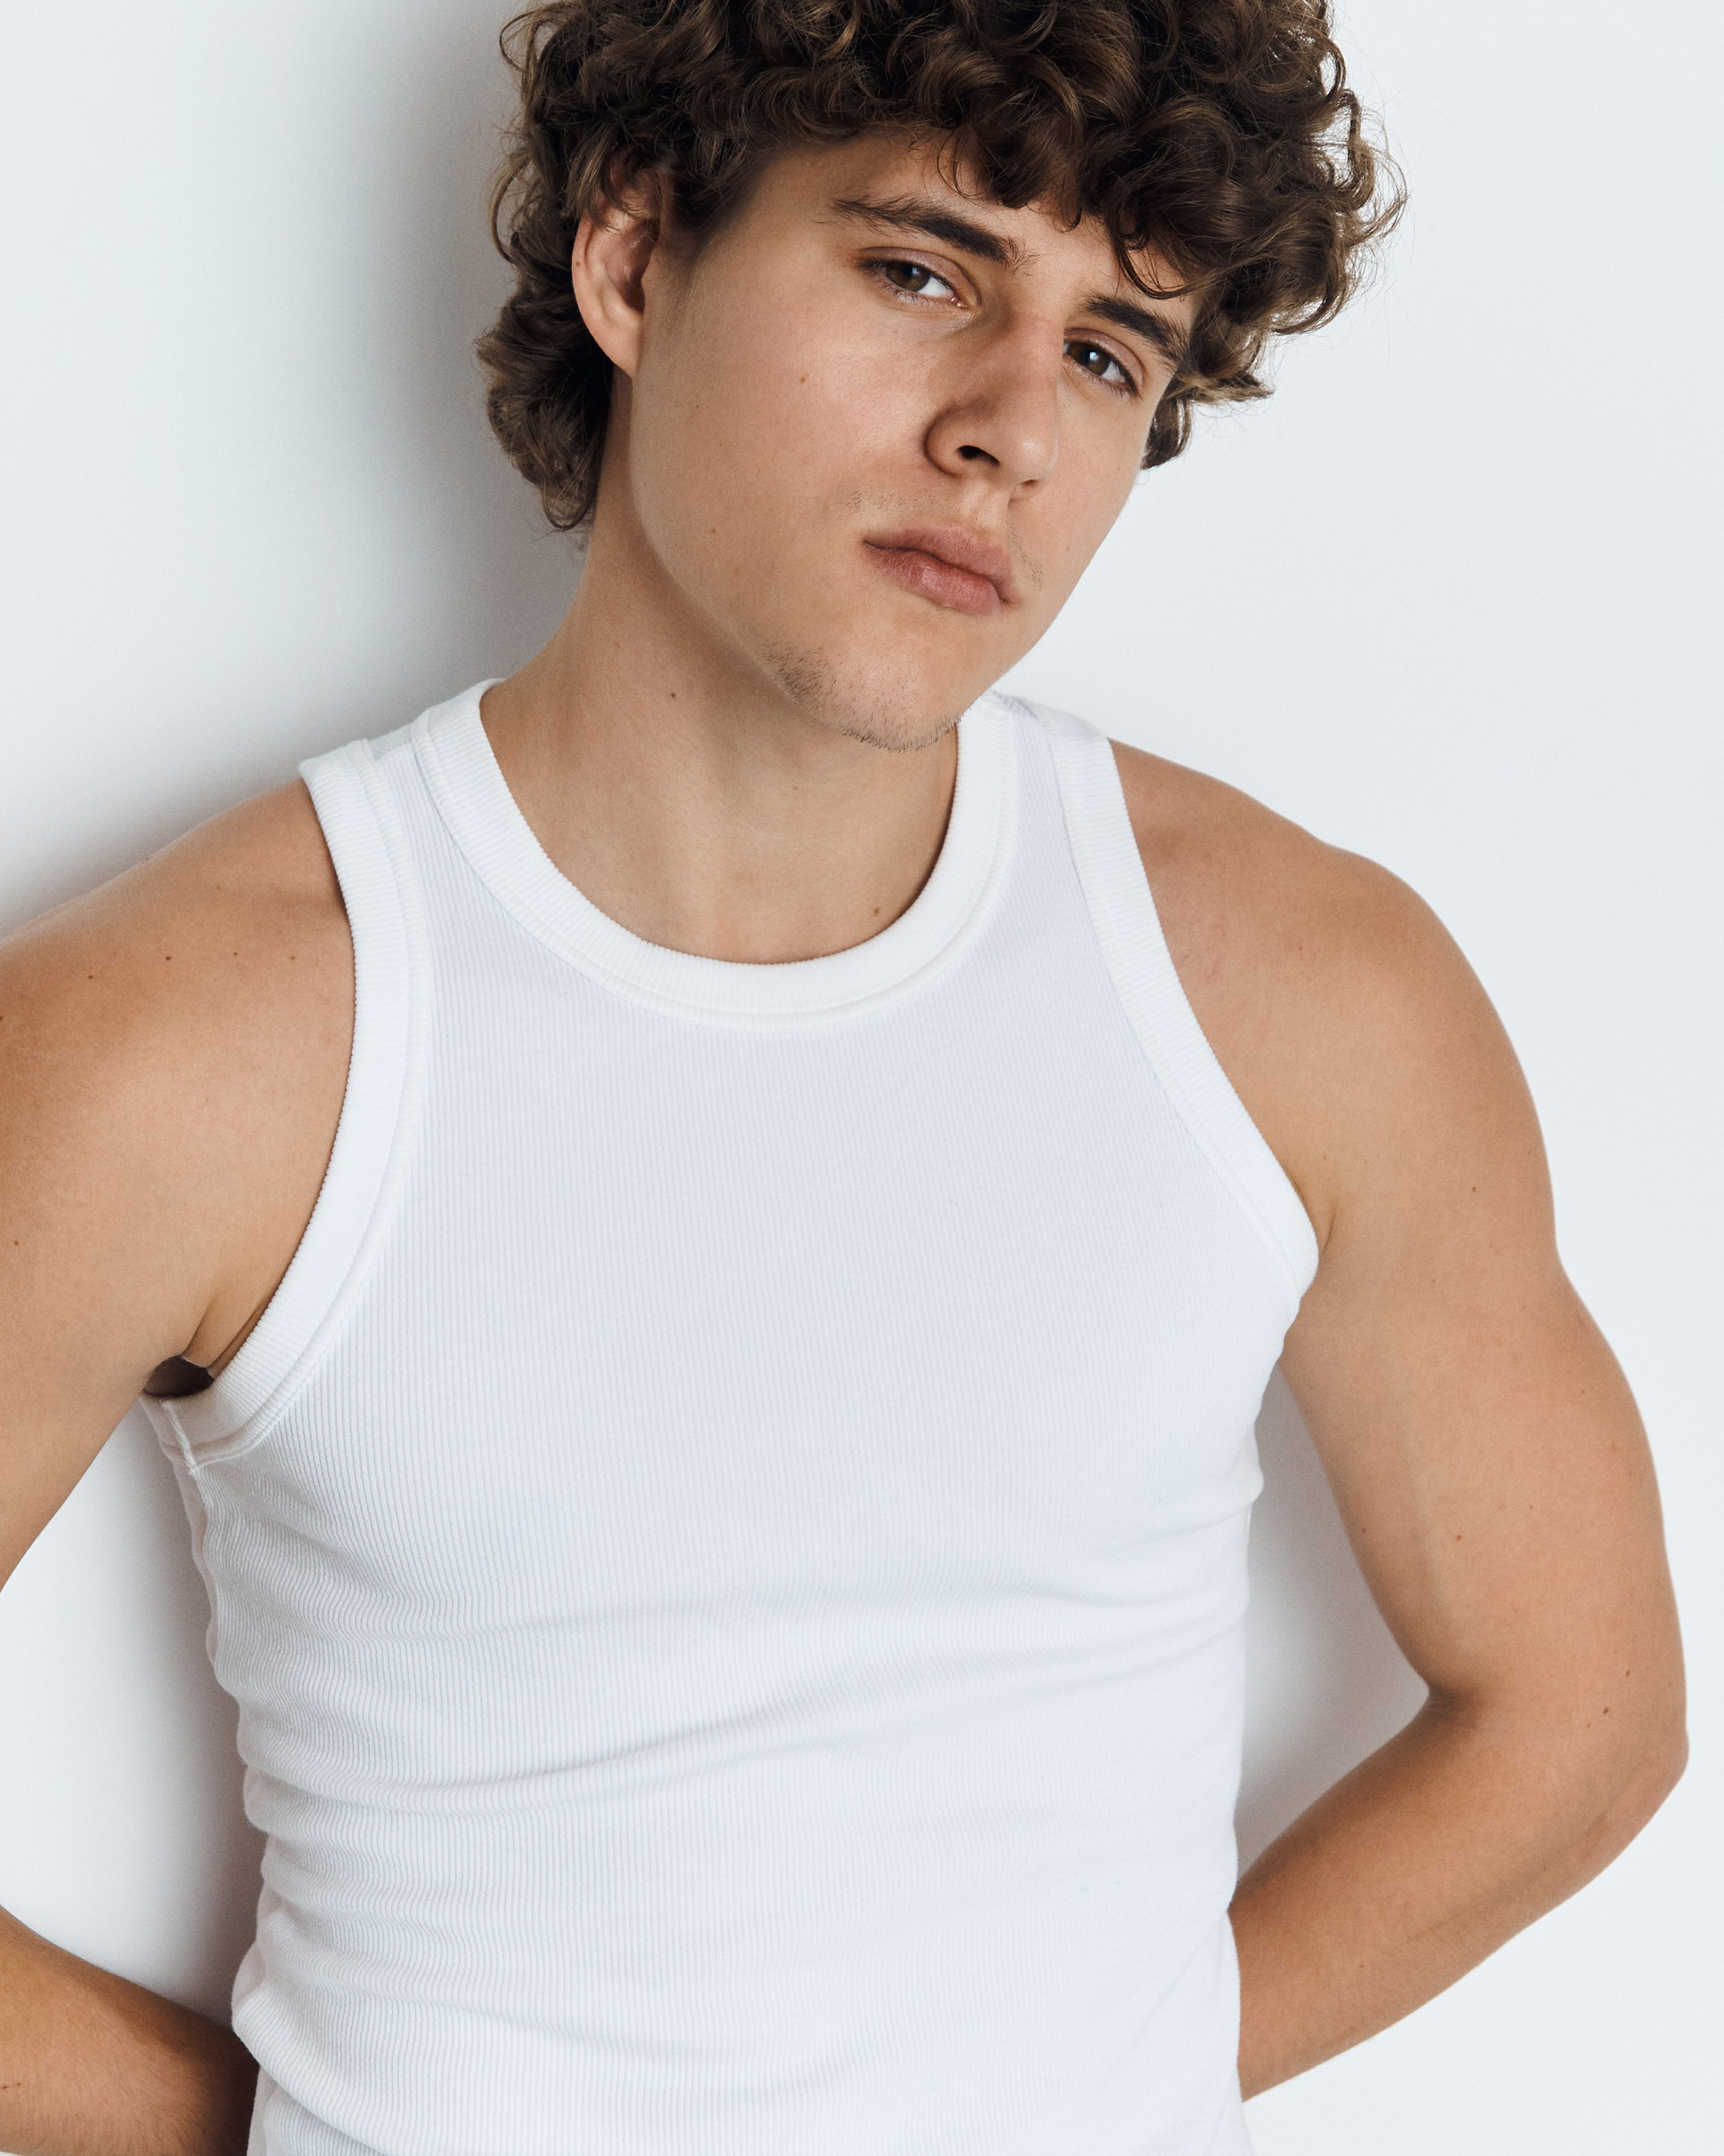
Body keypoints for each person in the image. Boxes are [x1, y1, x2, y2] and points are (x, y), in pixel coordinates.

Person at [0, 1, 1687, 2151]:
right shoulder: (192, 1036)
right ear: (635, 259)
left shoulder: (1303, 994)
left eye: (1110, 352)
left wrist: (1107, 2080)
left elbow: (1580, 1713)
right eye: (920, 272)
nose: (1011, 430)